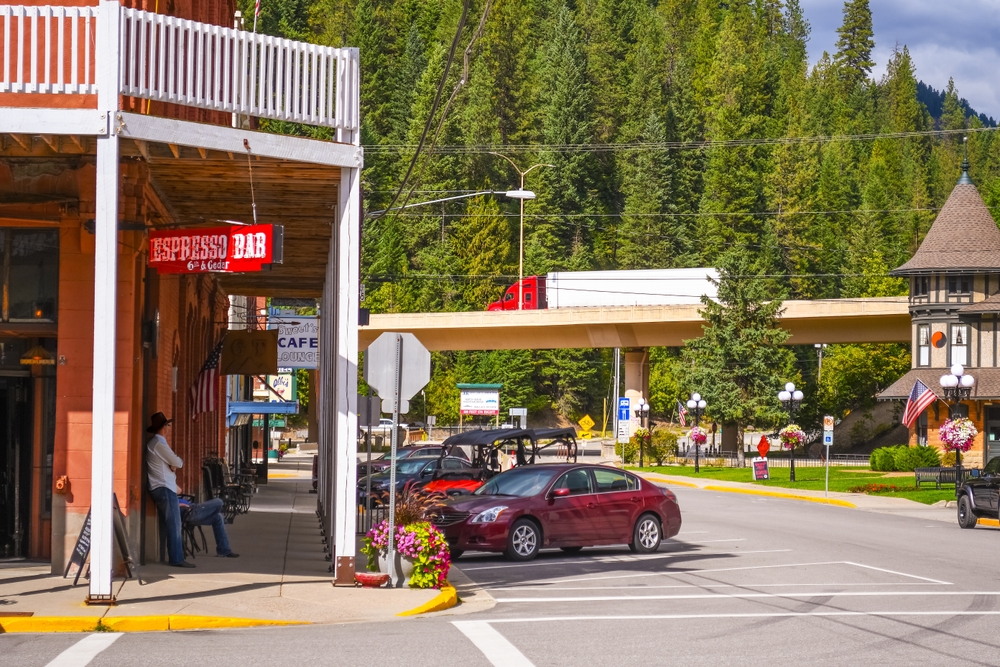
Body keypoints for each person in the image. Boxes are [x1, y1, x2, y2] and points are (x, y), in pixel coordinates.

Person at [146, 412, 193, 568]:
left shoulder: (156, 444)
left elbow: (172, 463)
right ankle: (176, 558)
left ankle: (171, 555)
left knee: (169, 523)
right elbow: (178, 462)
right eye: (167, 425)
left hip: (161, 486)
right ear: (164, 427)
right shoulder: (159, 443)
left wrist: (172, 464)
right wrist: (174, 463)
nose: (168, 428)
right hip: (164, 487)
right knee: (174, 523)